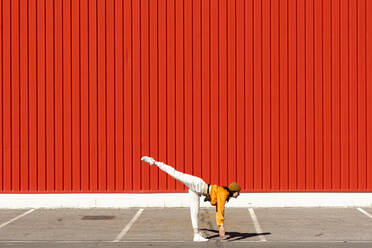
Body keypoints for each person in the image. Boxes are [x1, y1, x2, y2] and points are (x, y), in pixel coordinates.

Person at [141, 156, 241, 242]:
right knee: (176, 174)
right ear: (234, 191)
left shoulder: (224, 193)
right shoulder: (223, 194)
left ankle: (196, 234)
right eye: (238, 192)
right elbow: (220, 210)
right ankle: (154, 162)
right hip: (197, 184)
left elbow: (217, 205)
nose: (239, 194)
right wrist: (221, 226)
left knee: (194, 211)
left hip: (198, 191)